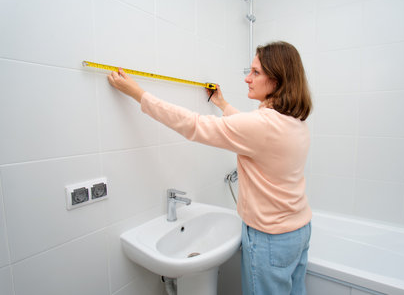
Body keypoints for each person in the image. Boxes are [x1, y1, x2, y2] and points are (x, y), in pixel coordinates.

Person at [108, 41, 313, 295]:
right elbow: (252, 130)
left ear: (278, 80)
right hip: (298, 231)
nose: (248, 79)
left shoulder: (263, 125)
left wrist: (139, 94)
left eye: (256, 72)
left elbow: (194, 125)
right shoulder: (295, 121)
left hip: (271, 238)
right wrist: (223, 104)